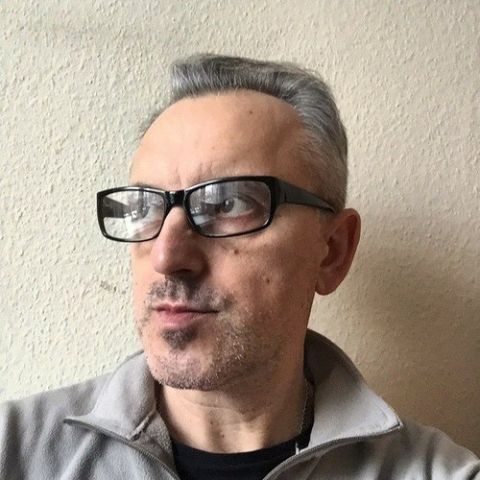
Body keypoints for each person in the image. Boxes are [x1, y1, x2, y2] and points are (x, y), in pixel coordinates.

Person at [0, 54, 478, 480]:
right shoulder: (16, 453)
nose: (167, 257)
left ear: (332, 250)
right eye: (144, 207)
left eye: (228, 203)